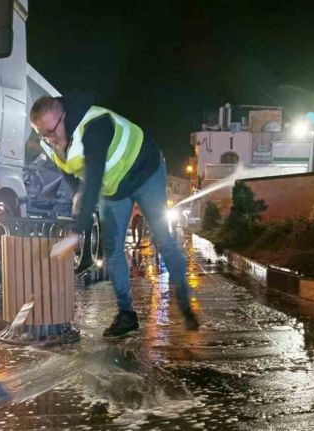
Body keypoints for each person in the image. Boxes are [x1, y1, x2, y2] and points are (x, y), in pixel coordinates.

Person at [30, 96, 199, 337]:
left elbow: (94, 178)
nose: (49, 139)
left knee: (163, 239)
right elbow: (67, 170)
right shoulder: (50, 141)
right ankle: (126, 315)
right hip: (114, 187)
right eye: (41, 134)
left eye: (50, 131)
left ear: (64, 118)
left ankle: (184, 302)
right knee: (112, 248)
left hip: (145, 171)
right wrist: (76, 191)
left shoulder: (95, 127)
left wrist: (76, 232)